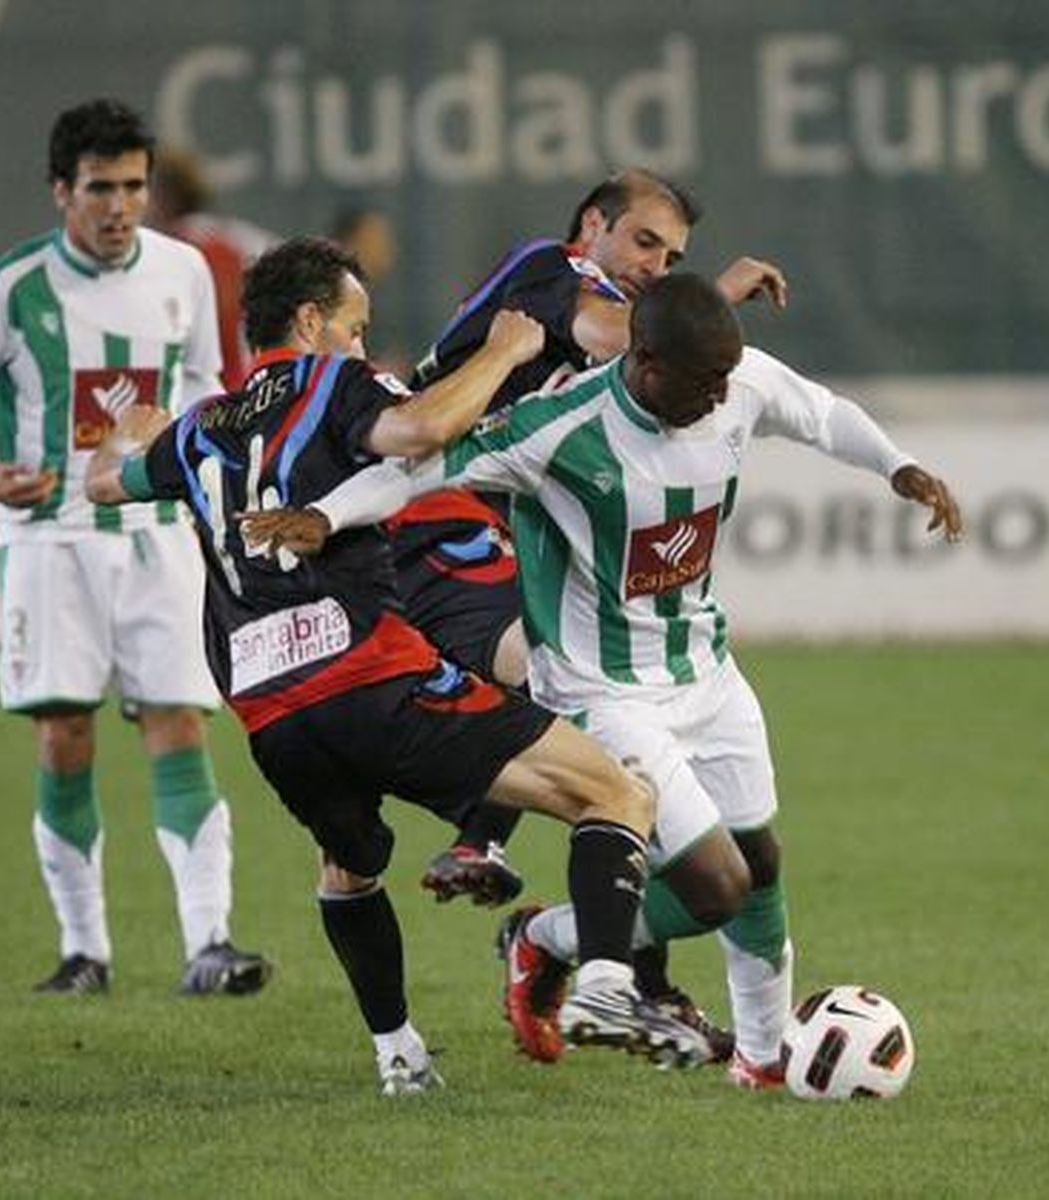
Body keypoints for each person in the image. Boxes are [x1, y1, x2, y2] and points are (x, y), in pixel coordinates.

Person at [240, 273, 962, 1089]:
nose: (722, 396)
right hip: (602, 693)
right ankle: (546, 939)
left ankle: (762, 1063)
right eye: (702, 382)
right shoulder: (562, 426)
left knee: (760, 866)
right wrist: (329, 515)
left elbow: (819, 412)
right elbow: (427, 467)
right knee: (716, 887)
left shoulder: (733, 382)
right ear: (644, 361)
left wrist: (898, 466)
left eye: (728, 379)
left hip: (706, 671)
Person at [83, 237, 714, 1093]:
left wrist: (125, 436)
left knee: (349, 866)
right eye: (353, 326)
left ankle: (398, 1056)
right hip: (373, 678)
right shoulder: (335, 382)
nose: (360, 344)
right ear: (309, 322)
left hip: (272, 717)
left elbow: (104, 485)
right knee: (619, 792)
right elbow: (420, 428)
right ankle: (602, 985)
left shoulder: (201, 427)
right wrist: (502, 352)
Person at [395, 168, 789, 1055]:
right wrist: (709, 303)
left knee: (626, 734)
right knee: (558, 675)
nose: (657, 264)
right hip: (440, 528)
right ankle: (485, 845)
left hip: (502, 524)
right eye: (645, 242)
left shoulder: (622, 332)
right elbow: (607, 335)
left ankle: (629, 972)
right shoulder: (548, 270)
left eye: (674, 256)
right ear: (591, 227)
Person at [0, 98, 269, 998]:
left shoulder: (185, 271)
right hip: (51, 539)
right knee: (64, 735)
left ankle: (210, 943)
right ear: (60, 192)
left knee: (178, 724)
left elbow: (204, 381)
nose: (121, 208)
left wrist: (193, 449)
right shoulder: (11, 287)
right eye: (101, 189)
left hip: (155, 534)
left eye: (134, 188)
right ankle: (86, 952)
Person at [147, 147, 279, 391]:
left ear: (164, 196)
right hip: (251, 391)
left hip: (192, 400)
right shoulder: (244, 241)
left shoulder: (163, 254)